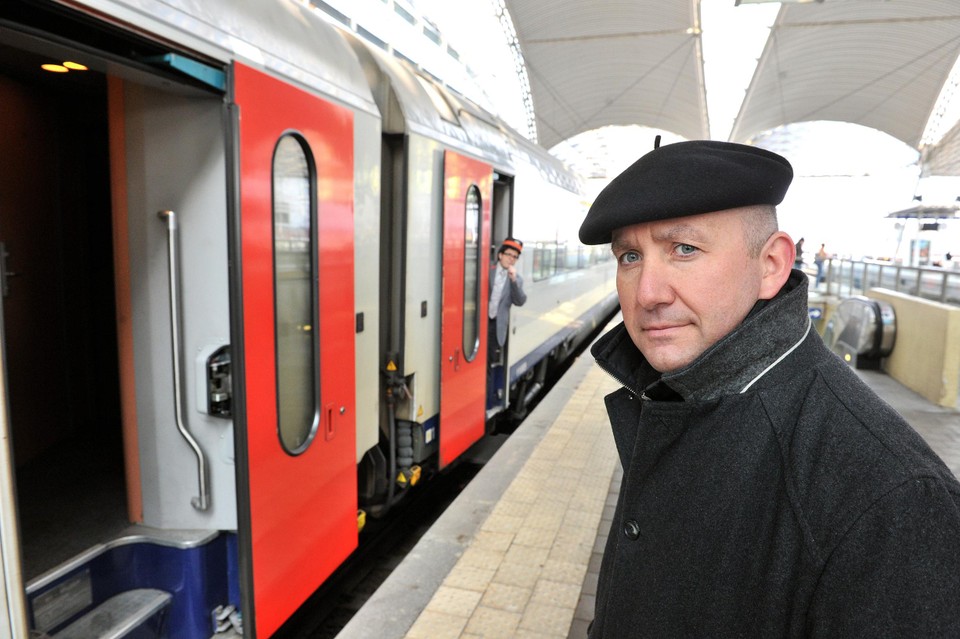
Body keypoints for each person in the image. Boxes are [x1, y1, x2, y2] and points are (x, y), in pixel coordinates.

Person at [578, 139, 960, 638]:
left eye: (684, 249)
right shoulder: (673, 395)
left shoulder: (896, 499)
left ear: (771, 266)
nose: (647, 293)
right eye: (630, 256)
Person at [488, 237, 526, 365]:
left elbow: (520, 301)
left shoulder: (517, 280)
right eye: (509, 254)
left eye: (515, 257)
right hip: (480, 322)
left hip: (496, 326)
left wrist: (513, 280)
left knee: (489, 363)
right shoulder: (487, 271)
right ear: (500, 255)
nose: (511, 258)